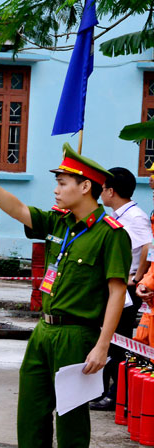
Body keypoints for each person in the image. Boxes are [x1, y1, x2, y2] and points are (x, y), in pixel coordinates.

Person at [0, 143, 130, 448]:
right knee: (32, 411)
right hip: (44, 331)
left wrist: (102, 345)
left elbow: (116, 292)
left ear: (85, 186)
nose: (56, 188)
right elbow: (18, 209)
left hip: (77, 335)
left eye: (63, 182)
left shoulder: (110, 234)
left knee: (69, 417)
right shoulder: (59, 222)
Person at [90, 167, 152, 411]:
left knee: (119, 344)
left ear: (111, 191)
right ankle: (102, 391)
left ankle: (116, 395)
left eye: (103, 189)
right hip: (112, 286)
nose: (101, 194)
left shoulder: (134, 217)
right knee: (106, 338)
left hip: (126, 290)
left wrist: (136, 277)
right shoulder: (118, 214)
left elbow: (148, 246)